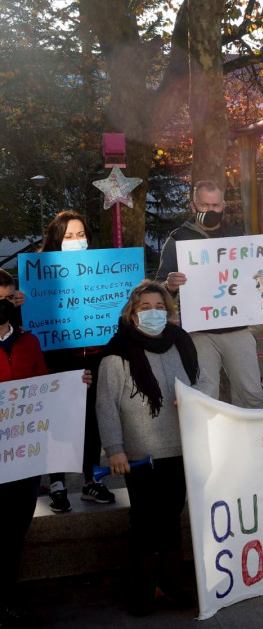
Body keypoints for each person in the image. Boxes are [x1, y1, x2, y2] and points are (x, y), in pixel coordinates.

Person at [96, 281, 214, 615]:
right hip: (139, 455)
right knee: (145, 522)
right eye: (145, 307)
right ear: (132, 313)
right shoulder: (117, 352)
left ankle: (172, 586)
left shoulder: (181, 342)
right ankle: (144, 590)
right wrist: (114, 448)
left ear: (169, 310)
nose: (153, 312)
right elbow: (106, 405)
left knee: (171, 518)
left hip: (180, 448)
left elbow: (203, 379)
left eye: (159, 306)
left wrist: (196, 396)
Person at [0, 269, 90, 626]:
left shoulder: (30, 342)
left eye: (8, 299)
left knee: (14, 530)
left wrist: (71, 383)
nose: (2, 306)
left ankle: (8, 594)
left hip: (22, 458)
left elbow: (43, 387)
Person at [156, 180, 263, 409]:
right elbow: (158, 289)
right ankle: (208, 444)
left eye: (215, 205)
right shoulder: (178, 239)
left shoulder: (238, 235)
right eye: (204, 205)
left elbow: (259, 272)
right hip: (198, 333)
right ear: (193, 206)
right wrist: (169, 285)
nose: (210, 210)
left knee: (253, 393)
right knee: (205, 396)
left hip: (239, 328)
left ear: (223, 205)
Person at [37, 210, 115, 513]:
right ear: (57, 239)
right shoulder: (40, 272)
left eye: (81, 235)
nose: (75, 241)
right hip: (57, 359)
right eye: (68, 236)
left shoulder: (100, 270)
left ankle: (90, 480)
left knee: (92, 421)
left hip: (95, 358)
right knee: (59, 421)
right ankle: (57, 482)